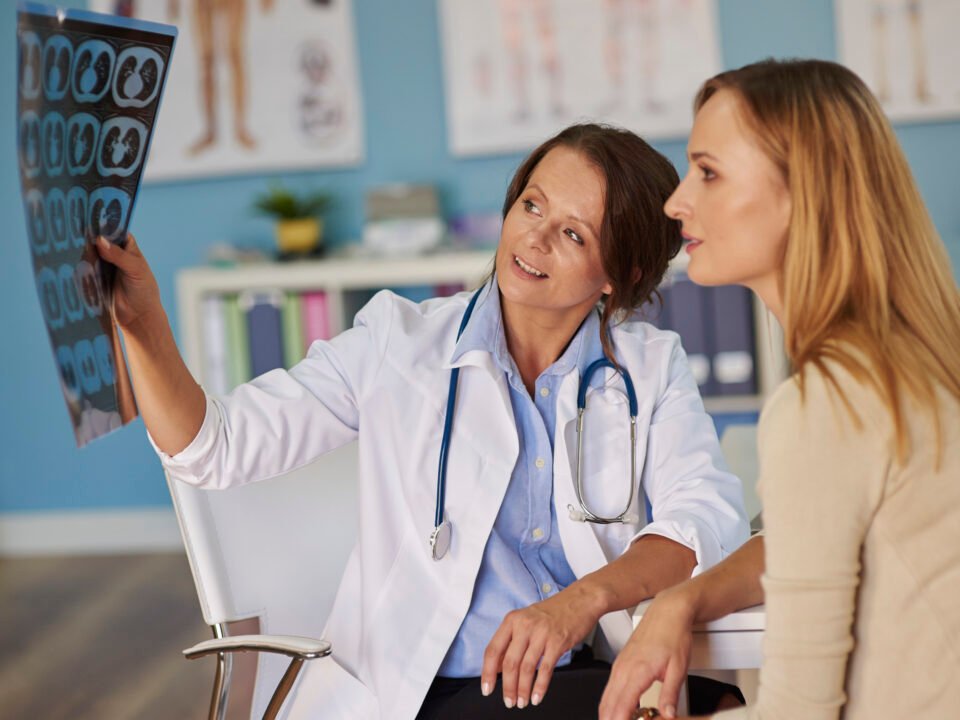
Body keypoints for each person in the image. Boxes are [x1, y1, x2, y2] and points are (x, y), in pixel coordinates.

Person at [96, 123, 749, 720]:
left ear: (621, 275)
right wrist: (144, 325)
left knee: (723, 706)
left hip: (584, 664)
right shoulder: (399, 342)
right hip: (438, 689)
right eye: (532, 205)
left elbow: (704, 519)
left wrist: (579, 603)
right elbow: (218, 448)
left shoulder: (648, 366)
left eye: (575, 234)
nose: (535, 238)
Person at [598, 59, 960, 720]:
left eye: (708, 172)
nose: (677, 202)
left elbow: (800, 712)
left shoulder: (827, 405)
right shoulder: (908, 360)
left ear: (803, 192)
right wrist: (687, 596)